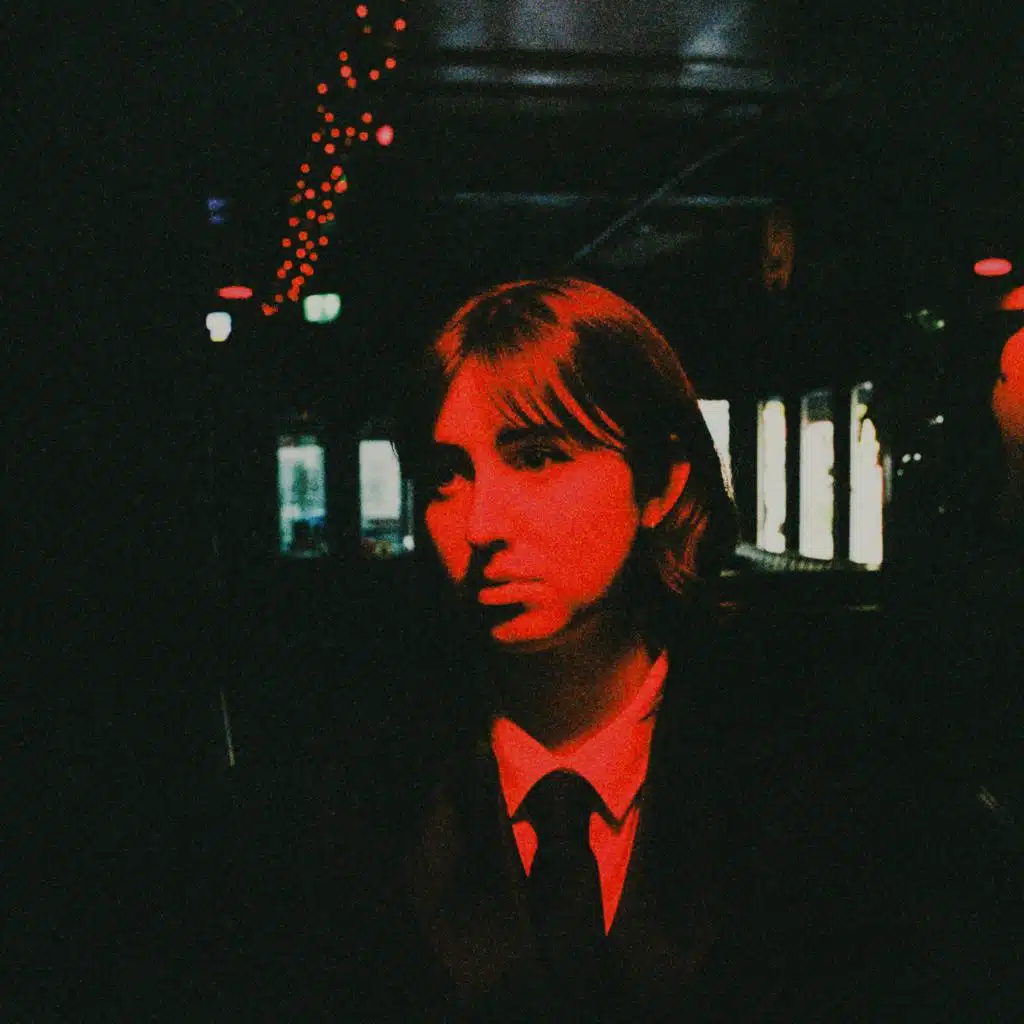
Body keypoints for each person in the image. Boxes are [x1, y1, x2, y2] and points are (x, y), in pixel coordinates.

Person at [150, 278, 1014, 1022]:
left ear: (660, 482)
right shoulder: (337, 803)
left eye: (537, 457)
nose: (480, 524)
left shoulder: (834, 794)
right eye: (447, 476)